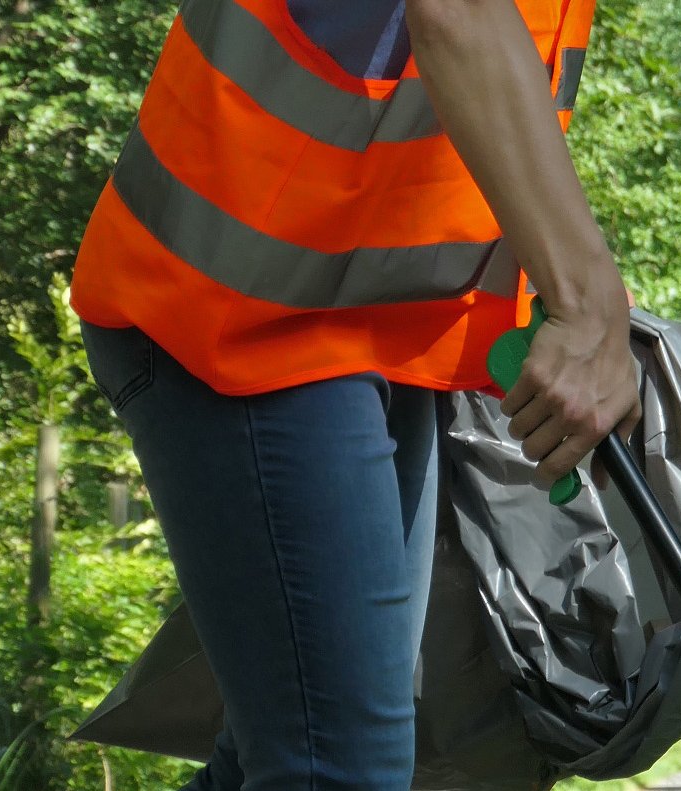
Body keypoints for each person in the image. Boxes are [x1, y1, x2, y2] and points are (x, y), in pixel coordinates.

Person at [68, 0, 638, 788]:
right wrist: (586, 300)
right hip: (238, 304)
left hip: (366, 317)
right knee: (337, 766)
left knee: (297, 752)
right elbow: (458, 13)